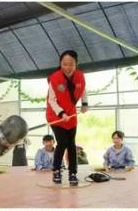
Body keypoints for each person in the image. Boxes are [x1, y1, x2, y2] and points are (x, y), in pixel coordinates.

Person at [46, 49, 88, 185]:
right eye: (64, 64)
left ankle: (73, 173)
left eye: (71, 64)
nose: (68, 67)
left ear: (76, 64)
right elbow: (51, 101)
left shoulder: (80, 76)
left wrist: (84, 104)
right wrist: (61, 113)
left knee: (71, 144)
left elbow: (83, 90)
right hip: (55, 116)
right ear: (60, 63)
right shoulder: (55, 78)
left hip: (71, 115)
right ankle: (56, 171)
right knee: (63, 142)